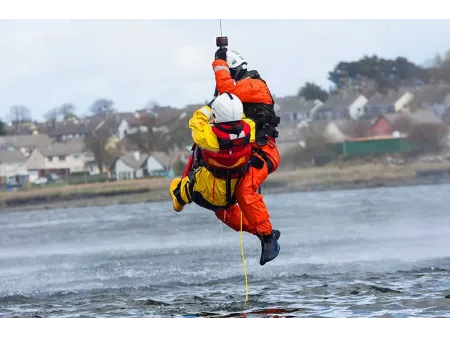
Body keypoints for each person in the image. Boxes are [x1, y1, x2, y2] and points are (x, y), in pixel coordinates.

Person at [169, 92, 280, 265]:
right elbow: (243, 120)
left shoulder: (208, 136)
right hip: (233, 193)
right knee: (229, 212)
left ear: (218, 115)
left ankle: (179, 201)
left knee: (180, 189)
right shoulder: (249, 129)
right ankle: (265, 234)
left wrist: (209, 106)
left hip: (206, 194)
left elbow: (195, 120)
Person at [210, 48, 282, 263]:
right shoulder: (233, 94)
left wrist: (218, 64)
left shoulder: (254, 85)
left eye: (227, 73)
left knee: (245, 190)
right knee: (221, 207)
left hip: (263, 150)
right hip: (241, 153)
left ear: (235, 71)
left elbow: (226, 93)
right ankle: (263, 233)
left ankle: (268, 237)